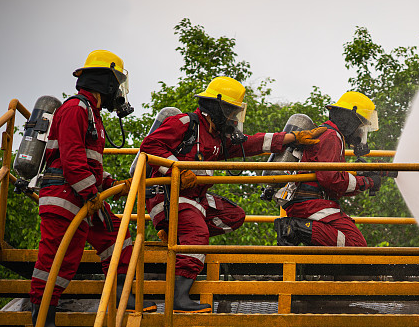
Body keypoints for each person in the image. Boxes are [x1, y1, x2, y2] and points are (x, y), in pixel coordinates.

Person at [140, 76, 326, 313]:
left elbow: (253, 143)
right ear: (220, 108)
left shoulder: (219, 137)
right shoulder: (185, 123)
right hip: (169, 196)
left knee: (233, 215)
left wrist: (293, 138)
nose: (235, 119)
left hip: (194, 199)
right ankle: (178, 299)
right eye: (232, 112)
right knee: (197, 235)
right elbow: (150, 146)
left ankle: (177, 234)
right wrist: (179, 168)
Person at [30, 49, 155, 327]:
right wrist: (92, 194)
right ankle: (43, 322)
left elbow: (88, 162)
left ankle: (124, 296)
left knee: (117, 238)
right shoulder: (76, 109)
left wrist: (112, 183)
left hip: (84, 195)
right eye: (118, 85)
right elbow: (73, 160)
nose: (120, 94)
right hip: (65, 197)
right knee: (58, 259)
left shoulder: (91, 112)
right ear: (107, 83)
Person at [274, 91, 383, 247]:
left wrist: (363, 181)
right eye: (360, 126)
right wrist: (366, 182)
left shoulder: (331, 135)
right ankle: (295, 228)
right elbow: (331, 179)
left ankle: (301, 231)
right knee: (355, 244)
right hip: (311, 204)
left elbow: (336, 184)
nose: (360, 133)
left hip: (313, 203)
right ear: (349, 121)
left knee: (346, 244)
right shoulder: (331, 136)